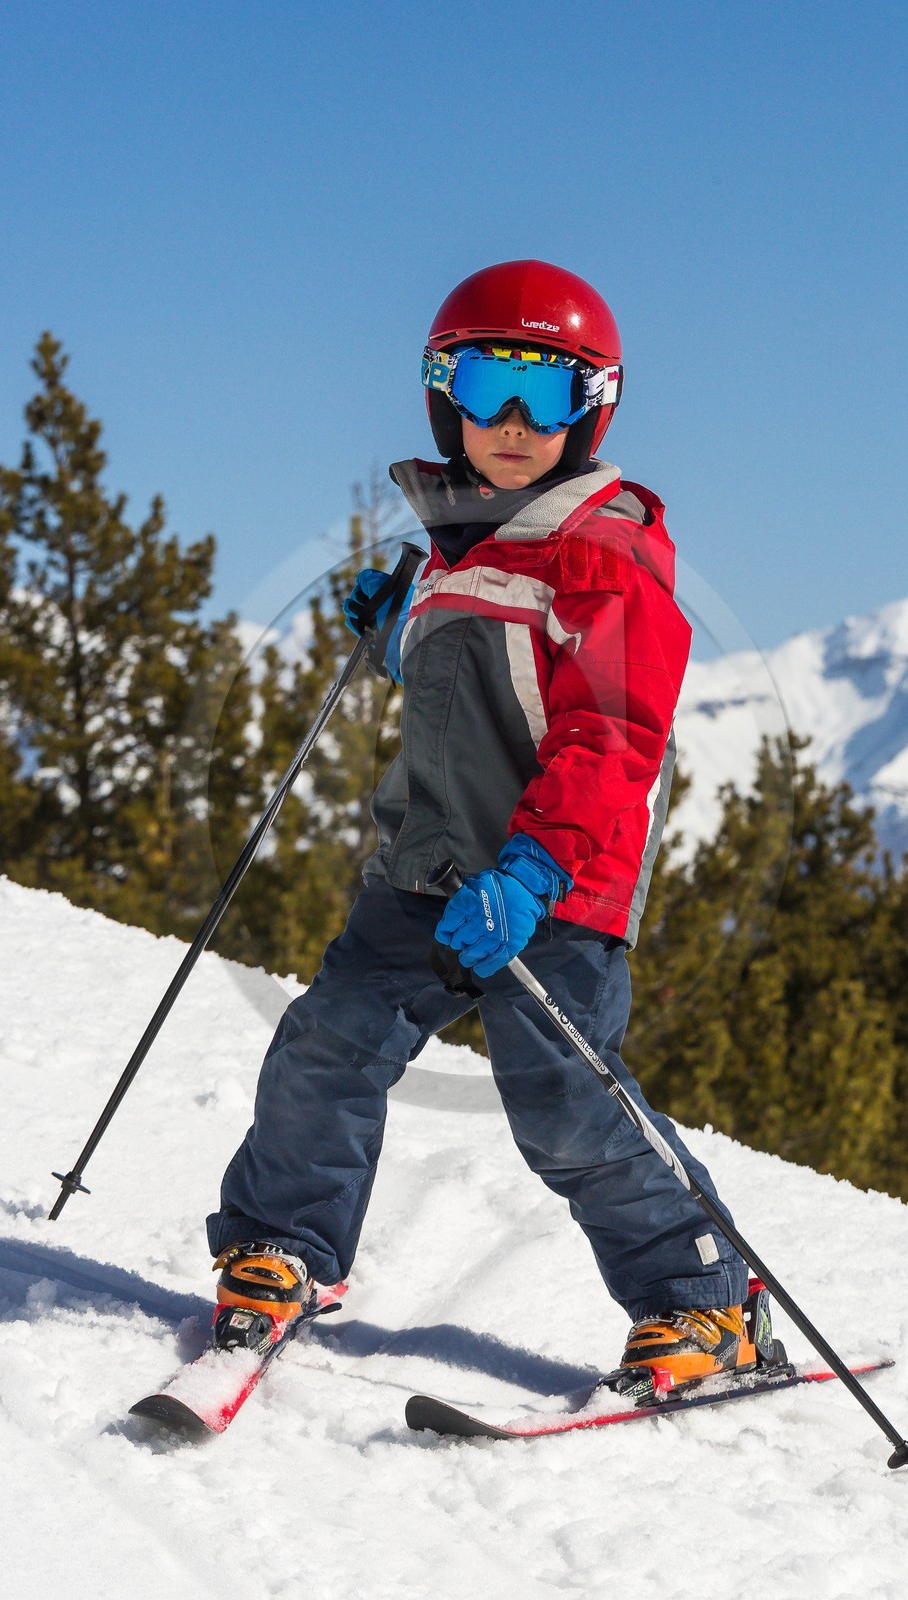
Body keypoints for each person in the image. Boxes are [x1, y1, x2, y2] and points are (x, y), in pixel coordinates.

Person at [206, 260, 760, 1398]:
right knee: (328, 1044)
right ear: (438, 393)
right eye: (486, 384)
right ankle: (284, 1246)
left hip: (550, 886)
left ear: (590, 407)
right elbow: (471, 692)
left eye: (544, 395)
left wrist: (534, 866)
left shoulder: (604, 557)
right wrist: (391, 634)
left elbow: (609, 735)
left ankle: (707, 1304)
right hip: (425, 864)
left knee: (564, 1105)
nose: (511, 424)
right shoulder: (455, 545)